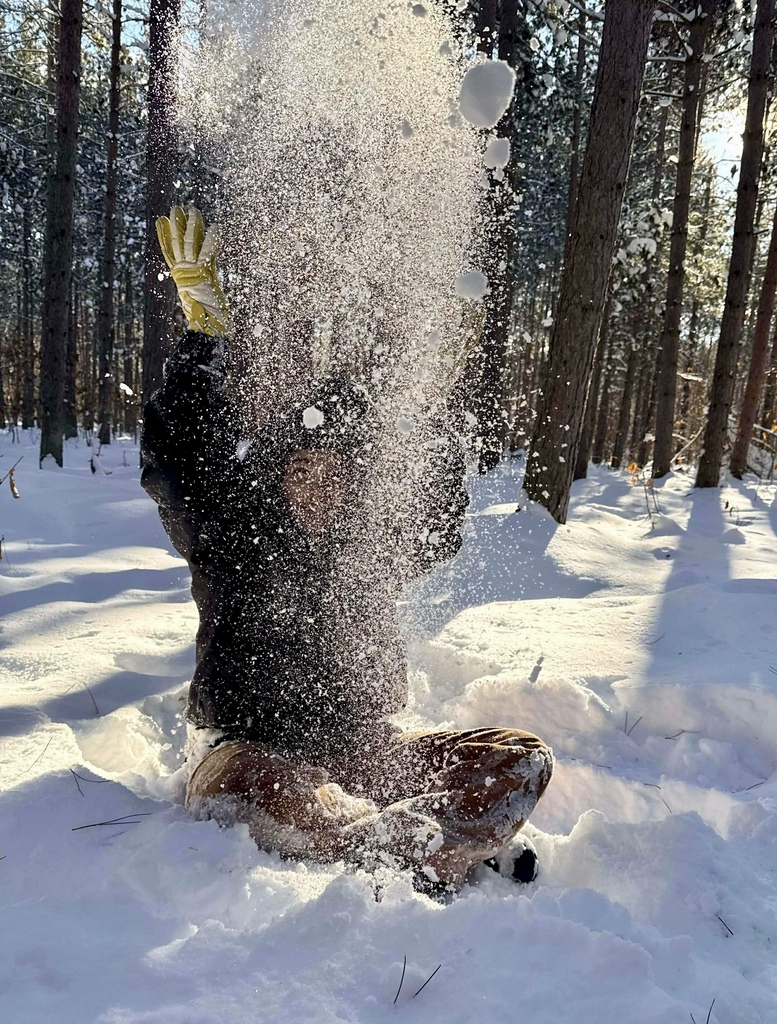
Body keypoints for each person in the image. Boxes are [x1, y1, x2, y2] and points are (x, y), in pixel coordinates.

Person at [141, 206, 553, 894]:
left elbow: (438, 512)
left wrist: (434, 401)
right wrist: (202, 340)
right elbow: (181, 459)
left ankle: (415, 840)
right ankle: (422, 847)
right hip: (250, 751)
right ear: (277, 473)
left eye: (337, 475)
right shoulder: (231, 536)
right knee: (259, 782)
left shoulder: (372, 546)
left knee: (517, 757)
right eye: (302, 469)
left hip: (365, 751)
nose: (317, 489)